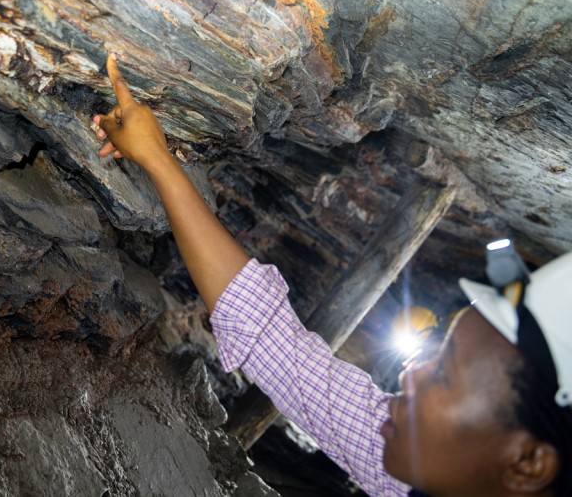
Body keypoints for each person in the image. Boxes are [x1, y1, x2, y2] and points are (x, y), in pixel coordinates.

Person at [92, 52, 572, 497]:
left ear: (527, 464)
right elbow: (277, 347)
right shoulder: (412, 468)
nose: (410, 375)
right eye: (436, 357)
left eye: (444, 376)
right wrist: (157, 158)